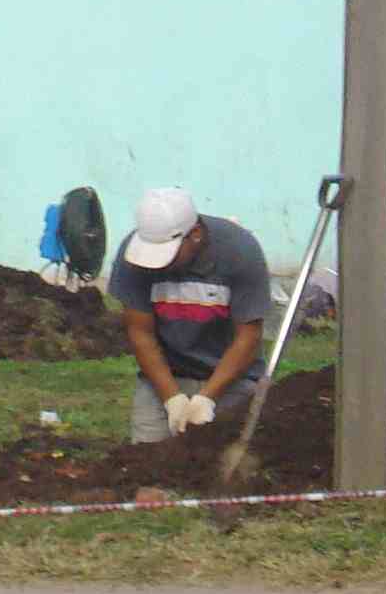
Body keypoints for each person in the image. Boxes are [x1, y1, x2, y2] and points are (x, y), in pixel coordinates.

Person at [107, 185, 276, 443]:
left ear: (195, 234)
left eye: (168, 254)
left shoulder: (239, 251)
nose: (160, 264)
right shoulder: (134, 255)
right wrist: (172, 399)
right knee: (146, 458)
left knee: (227, 458)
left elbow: (248, 337)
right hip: (164, 375)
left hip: (231, 376)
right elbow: (140, 333)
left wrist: (206, 399)